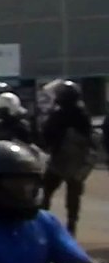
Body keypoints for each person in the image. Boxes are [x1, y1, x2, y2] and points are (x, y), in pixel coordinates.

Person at [39, 80, 95, 236]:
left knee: (46, 191)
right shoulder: (83, 114)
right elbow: (89, 137)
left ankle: (41, 223)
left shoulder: (58, 115)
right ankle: (71, 225)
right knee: (73, 195)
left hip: (59, 160)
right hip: (77, 161)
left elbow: (47, 135)